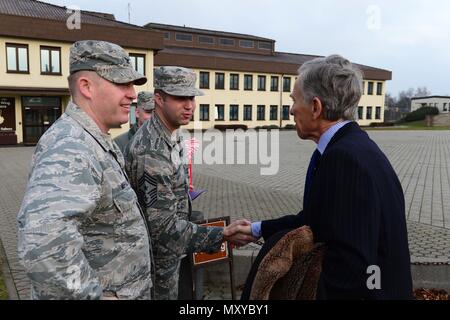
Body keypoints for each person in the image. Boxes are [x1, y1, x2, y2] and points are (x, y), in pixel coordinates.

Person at [242, 55, 413, 299]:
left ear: (315, 107)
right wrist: (256, 229)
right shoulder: (351, 146)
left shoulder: (344, 159)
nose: (290, 109)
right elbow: (318, 219)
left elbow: (350, 265)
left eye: (294, 100)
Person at [17, 40, 153, 300]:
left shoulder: (92, 141)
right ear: (86, 87)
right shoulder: (71, 145)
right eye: (122, 83)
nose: (133, 94)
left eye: (133, 85)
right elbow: (42, 241)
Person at [125, 66, 256, 300]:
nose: (189, 105)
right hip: (156, 264)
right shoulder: (151, 151)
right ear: (159, 99)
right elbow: (162, 230)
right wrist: (222, 234)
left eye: (192, 97)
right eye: (180, 98)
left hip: (171, 256)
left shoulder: (171, 134)